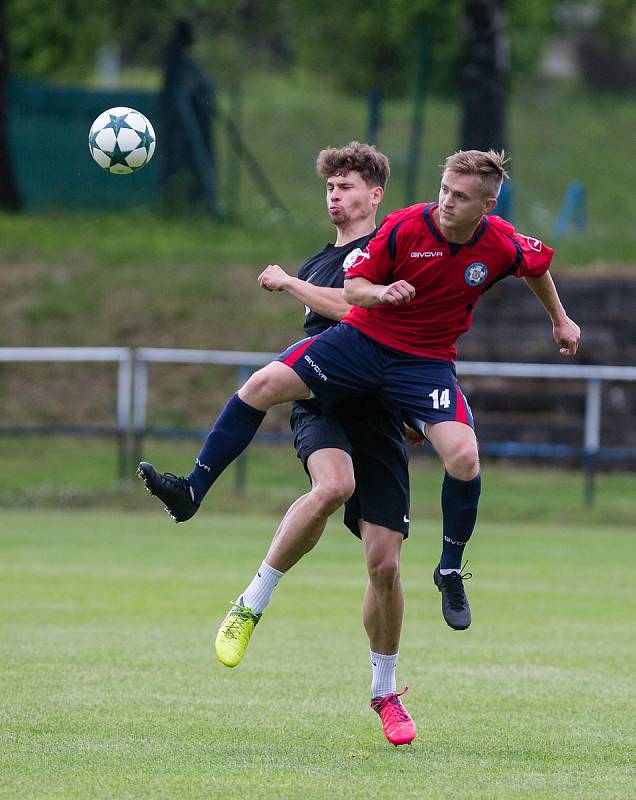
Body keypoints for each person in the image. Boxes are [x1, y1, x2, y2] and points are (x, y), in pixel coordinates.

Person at [139, 147, 580, 709]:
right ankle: (197, 498)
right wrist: (376, 292)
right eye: (444, 189)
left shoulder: (497, 240)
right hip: (361, 352)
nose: (446, 202)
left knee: (444, 485)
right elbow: (354, 295)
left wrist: (561, 320)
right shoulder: (397, 230)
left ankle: (441, 584)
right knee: (271, 398)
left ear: (487, 204)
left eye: (460, 196)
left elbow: (536, 264)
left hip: (416, 373)